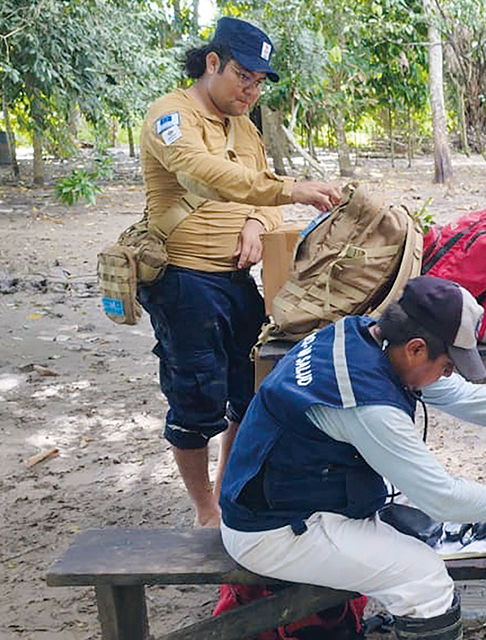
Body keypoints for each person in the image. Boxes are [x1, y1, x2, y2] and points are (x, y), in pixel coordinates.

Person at [218, 276, 486, 640]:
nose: (448, 374)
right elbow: (444, 500)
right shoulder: (367, 403)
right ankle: (432, 616)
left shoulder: (362, 332)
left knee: (418, 526)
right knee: (425, 577)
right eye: (448, 364)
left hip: (288, 494)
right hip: (272, 532)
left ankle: (431, 622)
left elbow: (456, 395)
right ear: (416, 349)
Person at [136, 17, 342, 528]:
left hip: (236, 283)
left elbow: (260, 191)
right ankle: (205, 512)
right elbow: (202, 173)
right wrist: (290, 190)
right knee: (196, 399)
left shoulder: (245, 128)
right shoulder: (172, 115)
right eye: (243, 76)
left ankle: (229, 490)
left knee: (252, 388)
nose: (251, 90)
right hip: (183, 281)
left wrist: (256, 221)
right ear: (212, 63)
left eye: (258, 81)